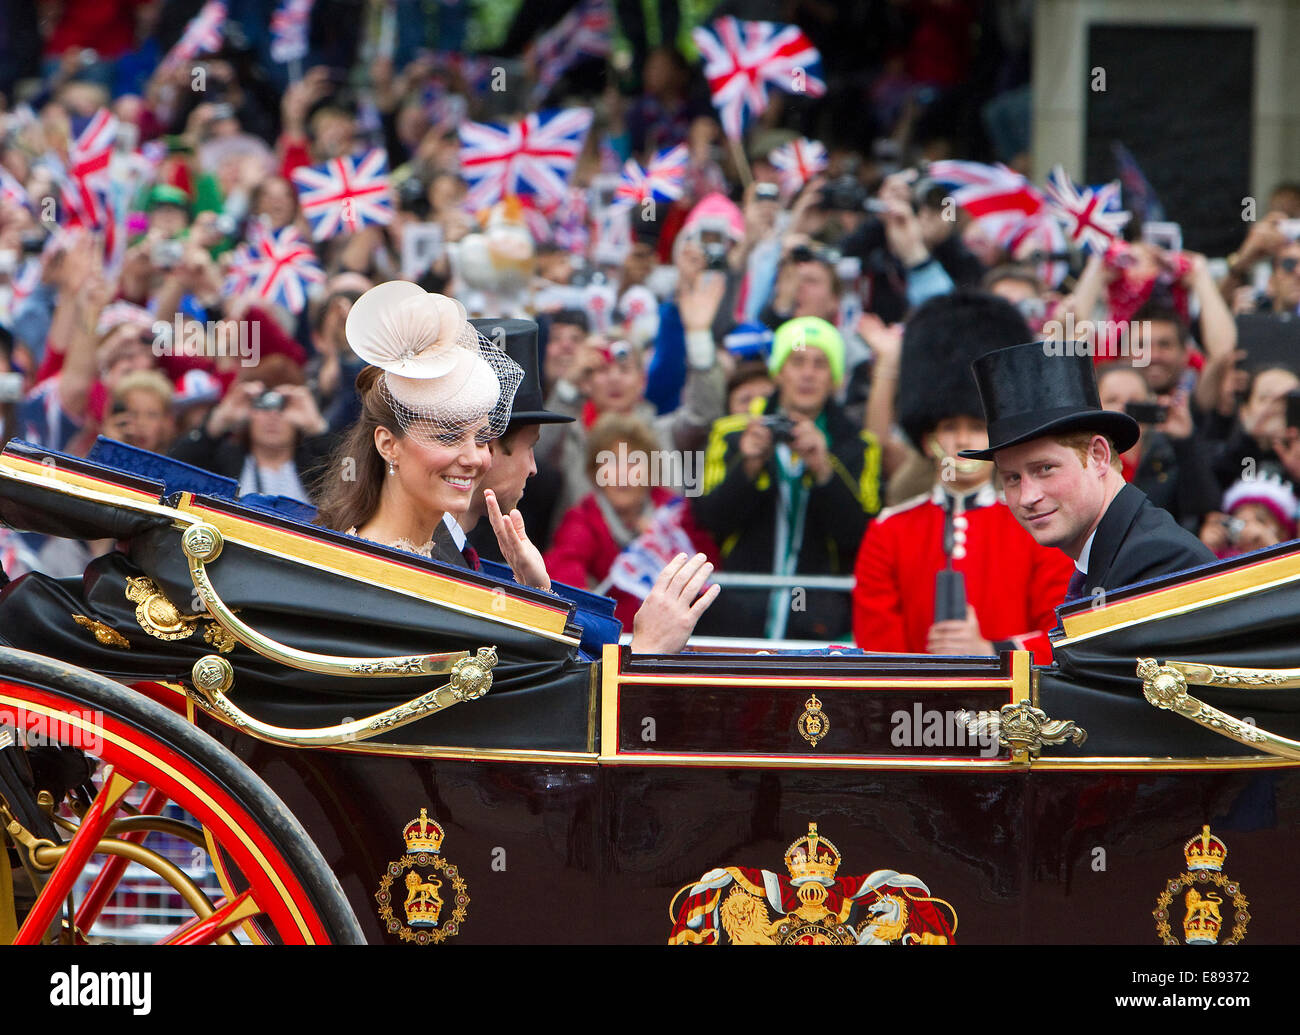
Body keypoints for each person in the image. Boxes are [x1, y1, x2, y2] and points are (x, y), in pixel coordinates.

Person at [853, 292, 1074, 662]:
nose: (962, 441)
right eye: (949, 427)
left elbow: (1059, 634)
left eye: (976, 427)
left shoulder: (1037, 525)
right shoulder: (888, 532)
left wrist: (992, 652)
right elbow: (878, 646)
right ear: (928, 441)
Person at [961, 341, 1215, 603]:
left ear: (1098, 456)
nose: (1027, 497)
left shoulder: (1154, 561)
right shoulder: (1120, 552)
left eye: (1045, 469)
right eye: (1013, 478)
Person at [693, 316, 883, 639]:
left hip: (820, 619)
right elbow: (709, 520)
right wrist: (749, 466)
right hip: (740, 613)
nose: (808, 373)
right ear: (778, 371)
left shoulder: (859, 446)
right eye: (797, 361)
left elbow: (860, 539)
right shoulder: (730, 433)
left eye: (820, 364)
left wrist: (824, 470)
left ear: (835, 379)